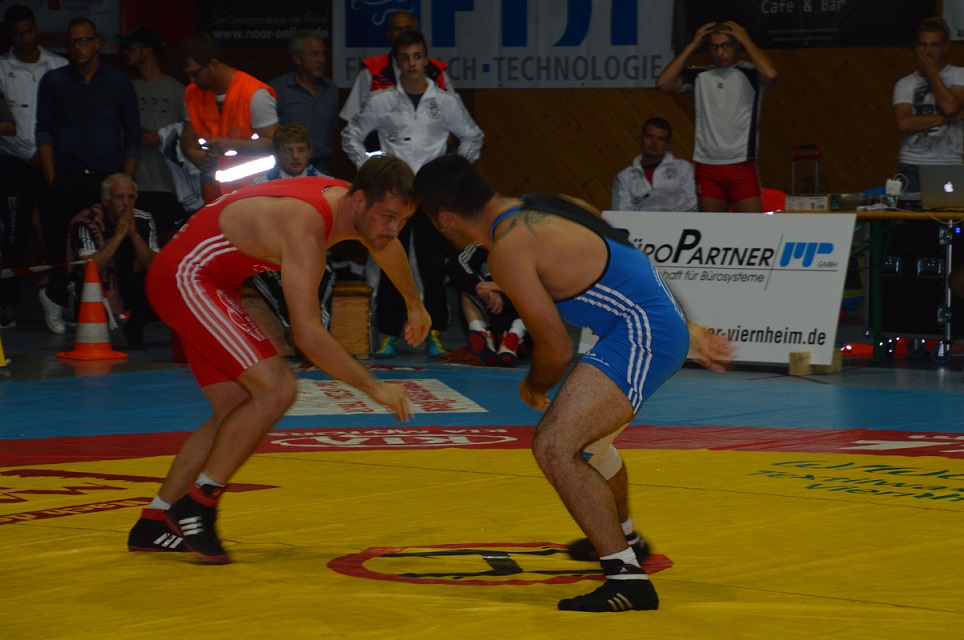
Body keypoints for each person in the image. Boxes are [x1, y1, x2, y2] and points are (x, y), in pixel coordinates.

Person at [413, 155, 732, 612]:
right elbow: (628, 258)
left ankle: (627, 580)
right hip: (652, 321)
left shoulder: (509, 249)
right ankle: (628, 540)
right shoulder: (548, 204)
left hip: (641, 332)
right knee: (592, 443)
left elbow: (557, 349)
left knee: (554, 446)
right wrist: (688, 324)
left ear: (445, 218)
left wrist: (535, 386)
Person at [126, 155, 431, 564]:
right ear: (359, 201)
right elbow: (308, 337)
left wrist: (415, 304)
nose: (394, 230)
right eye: (389, 218)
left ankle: (155, 521)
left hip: (208, 278)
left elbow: (386, 246)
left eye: (403, 221)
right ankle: (198, 504)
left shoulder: (350, 202)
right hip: (188, 275)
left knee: (236, 411)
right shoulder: (305, 228)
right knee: (277, 389)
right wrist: (374, 387)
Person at [342, 29, 483, 359]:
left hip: (431, 195)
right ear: (396, 62)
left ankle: (434, 331)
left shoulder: (445, 102)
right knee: (391, 258)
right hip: (394, 195)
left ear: (426, 60)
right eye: (404, 58)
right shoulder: (381, 101)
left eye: (417, 56)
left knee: (433, 264)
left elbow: (473, 137)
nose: (411, 64)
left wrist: (450, 174)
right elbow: (350, 136)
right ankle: (390, 332)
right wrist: (373, 172)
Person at [35, 16, 140, 334]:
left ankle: (107, 306)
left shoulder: (119, 82)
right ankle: (55, 298)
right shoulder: (54, 81)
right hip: (66, 175)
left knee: (107, 244)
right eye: (71, 42)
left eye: (83, 41)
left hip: (106, 178)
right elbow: (44, 133)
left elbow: (132, 137)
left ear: (97, 43)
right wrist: (52, 178)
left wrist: (125, 186)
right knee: (60, 244)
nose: (77, 47)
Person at [656, 21, 777, 213]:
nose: (720, 52)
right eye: (714, 47)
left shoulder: (751, 73)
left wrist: (745, 39)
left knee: (751, 228)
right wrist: (692, 45)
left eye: (726, 45)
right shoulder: (700, 74)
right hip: (707, 165)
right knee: (711, 228)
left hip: (741, 163)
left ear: (736, 45)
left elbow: (770, 74)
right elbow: (664, 83)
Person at [0, 4, 67, 328]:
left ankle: (60, 298)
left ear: (36, 29)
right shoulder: (1, 68)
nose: (23, 38)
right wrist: (31, 153)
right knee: (13, 234)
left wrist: (49, 153)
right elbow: (5, 126)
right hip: (14, 161)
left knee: (58, 231)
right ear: (8, 34)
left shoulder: (58, 65)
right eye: (17, 33)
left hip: (54, 160)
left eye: (27, 31)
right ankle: (7, 304)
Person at [250, 123, 333, 333]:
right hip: (272, 257)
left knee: (319, 281)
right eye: (288, 150)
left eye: (300, 149)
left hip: (313, 255)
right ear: (277, 153)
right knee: (275, 282)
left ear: (309, 152)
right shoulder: (259, 186)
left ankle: (315, 333)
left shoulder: (327, 186)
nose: (295, 156)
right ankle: (293, 329)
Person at [179, 32, 278, 203]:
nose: (191, 80)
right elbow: (187, 137)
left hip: (255, 193)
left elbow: (273, 143)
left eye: (195, 74)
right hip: (214, 196)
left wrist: (230, 144)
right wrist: (192, 153)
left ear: (213, 64)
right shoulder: (193, 94)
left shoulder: (254, 94)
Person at [66, 174, 159, 349]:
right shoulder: (86, 221)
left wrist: (134, 235)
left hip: (126, 278)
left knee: (156, 281)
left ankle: (135, 326)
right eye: (119, 197)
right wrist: (118, 236)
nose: (126, 203)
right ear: (105, 200)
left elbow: (157, 268)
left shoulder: (144, 219)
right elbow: (89, 268)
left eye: (131, 197)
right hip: (91, 287)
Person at [118, 27, 189, 243]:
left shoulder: (177, 90)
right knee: (136, 241)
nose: (125, 52)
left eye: (131, 47)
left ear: (148, 51)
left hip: (168, 184)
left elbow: (192, 129)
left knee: (170, 242)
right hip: (135, 183)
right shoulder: (126, 88)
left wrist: (161, 136)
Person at [339, 11, 453, 127]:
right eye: (397, 29)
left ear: (417, 32)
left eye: (408, 29)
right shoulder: (372, 70)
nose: (403, 34)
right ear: (388, 35)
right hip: (382, 137)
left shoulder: (437, 71)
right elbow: (352, 118)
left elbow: (454, 118)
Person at [892, 17, 964, 193]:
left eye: (934, 45)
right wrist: (948, 118)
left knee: (949, 211)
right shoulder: (905, 83)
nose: (928, 52)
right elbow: (904, 123)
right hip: (911, 164)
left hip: (949, 162)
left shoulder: (959, 75)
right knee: (909, 211)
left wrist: (931, 72)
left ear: (945, 47)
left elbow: (950, 107)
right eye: (923, 45)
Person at [269, 29, 338, 175]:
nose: (321, 60)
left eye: (322, 54)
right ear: (297, 59)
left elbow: (332, 129)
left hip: (323, 168)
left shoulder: (330, 89)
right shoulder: (277, 90)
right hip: (287, 170)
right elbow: (272, 134)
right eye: (314, 54)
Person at [447, 241, 527, 366]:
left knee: (535, 296)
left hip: (522, 329)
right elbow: (455, 264)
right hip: (491, 319)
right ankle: (480, 335)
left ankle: (514, 338)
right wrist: (482, 289)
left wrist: (502, 288)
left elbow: (545, 283)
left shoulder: (534, 248)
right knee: (467, 288)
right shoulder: (485, 243)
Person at [611, 117, 697, 212]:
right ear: (640, 140)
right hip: (639, 221)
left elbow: (694, 202)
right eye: (649, 136)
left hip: (679, 220)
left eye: (660, 139)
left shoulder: (685, 168)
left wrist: (669, 217)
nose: (654, 142)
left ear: (668, 145)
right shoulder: (624, 177)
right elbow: (620, 213)